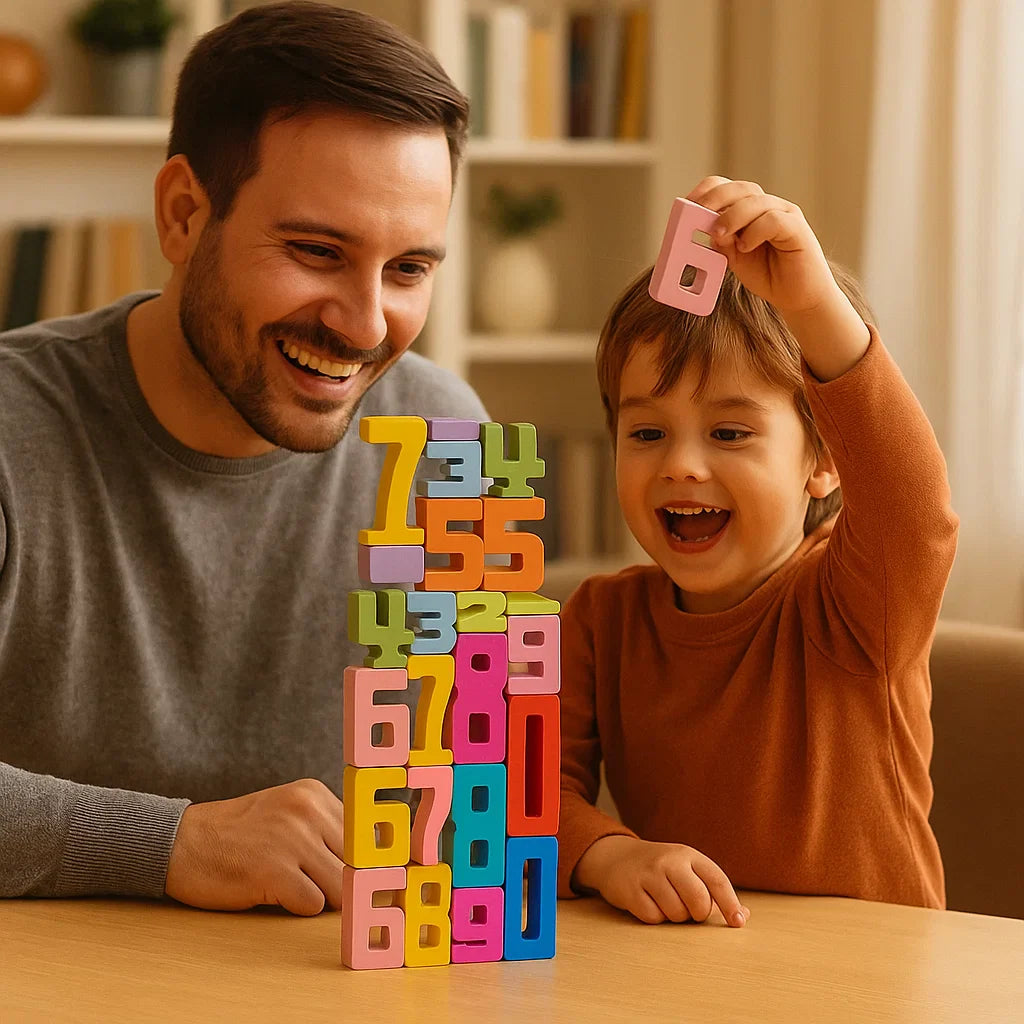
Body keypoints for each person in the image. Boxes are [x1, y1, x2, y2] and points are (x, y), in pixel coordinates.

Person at [0, 2, 488, 914]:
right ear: (185, 213)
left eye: (409, 268)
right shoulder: (10, 429)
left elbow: (491, 780)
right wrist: (170, 842)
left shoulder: (445, 441)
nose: (367, 323)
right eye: (315, 251)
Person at [558, 176, 958, 927]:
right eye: (646, 433)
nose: (680, 464)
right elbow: (522, 790)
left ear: (824, 459)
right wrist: (609, 853)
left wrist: (812, 308)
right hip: (690, 978)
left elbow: (915, 508)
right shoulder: (599, 619)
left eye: (730, 433)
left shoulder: (856, 602)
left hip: (867, 984)